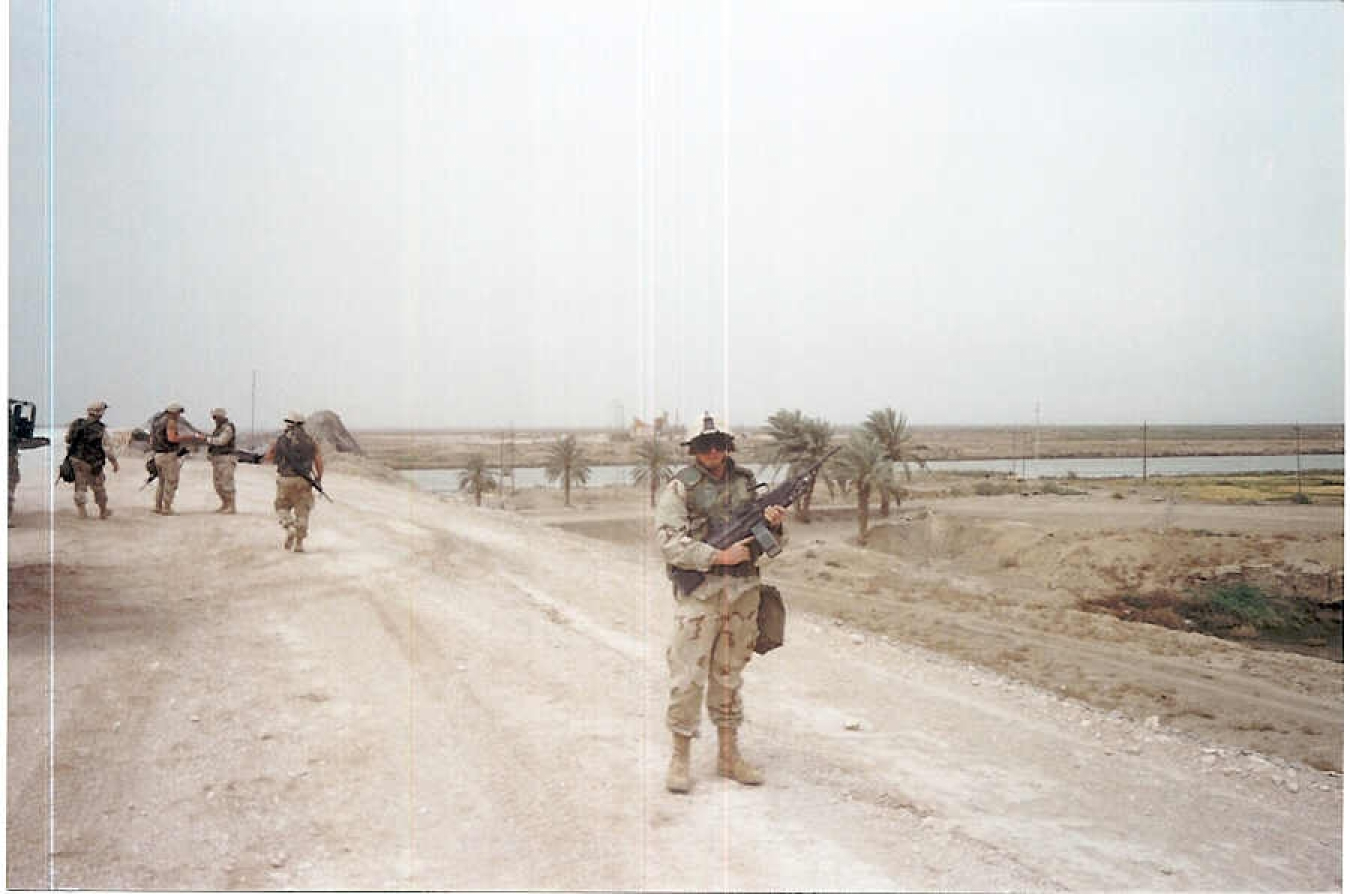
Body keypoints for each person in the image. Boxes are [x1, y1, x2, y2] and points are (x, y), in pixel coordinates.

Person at [654, 412, 788, 794]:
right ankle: (680, 758)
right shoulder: (680, 488)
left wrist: (774, 524)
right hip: (701, 595)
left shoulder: (746, 483)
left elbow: (773, 543)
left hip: (743, 592)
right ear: (692, 450)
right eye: (703, 446)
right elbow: (667, 541)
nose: (712, 452)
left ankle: (729, 757)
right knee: (686, 676)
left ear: (727, 445)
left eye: (718, 444)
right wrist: (716, 558)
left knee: (729, 674)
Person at [263, 411, 323, 553]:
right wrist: (318, 479)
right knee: (302, 511)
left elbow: (269, 457)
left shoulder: (281, 440)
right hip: (304, 480)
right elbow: (319, 461)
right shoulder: (310, 440)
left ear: (289, 424)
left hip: (285, 480)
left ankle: (289, 526)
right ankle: (299, 544)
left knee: (281, 506)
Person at [65, 400, 120, 519]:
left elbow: (68, 440)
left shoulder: (77, 424)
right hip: (92, 463)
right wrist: (114, 462)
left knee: (80, 487)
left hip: (76, 460)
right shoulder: (100, 429)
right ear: (100, 413)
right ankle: (103, 511)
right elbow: (107, 448)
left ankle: (82, 512)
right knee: (98, 487)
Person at [149, 401, 204, 515]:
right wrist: (191, 437)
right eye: (179, 413)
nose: (179, 416)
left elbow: (152, 439)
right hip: (168, 455)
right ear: (173, 413)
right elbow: (172, 438)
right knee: (171, 481)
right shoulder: (170, 422)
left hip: (158, 454)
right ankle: (167, 508)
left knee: (162, 482)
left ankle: (158, 506)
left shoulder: (157, 421)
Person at [202, 407, 238, 513]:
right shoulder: (218, 428)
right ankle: (225, 504)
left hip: (226, 458)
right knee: (218, 484)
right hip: (217, 459)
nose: (214, 419)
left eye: (215, 417)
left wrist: (207, 439)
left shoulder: (227, 428)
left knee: (226, 483)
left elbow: (222, 441)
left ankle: (231, 506)